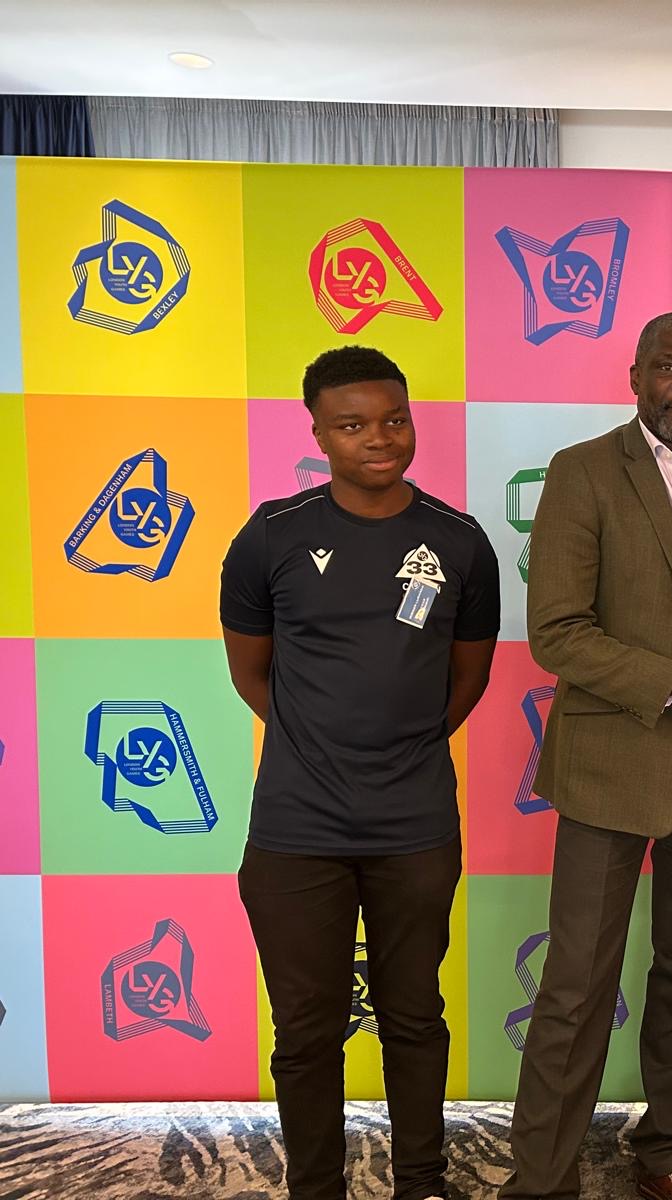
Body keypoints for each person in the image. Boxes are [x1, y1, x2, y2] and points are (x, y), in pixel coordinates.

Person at [498, 312, 672, 1200]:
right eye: (668, 368)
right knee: (578, 979)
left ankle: (666, 1147)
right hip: (614, 760)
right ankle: (542, 1177)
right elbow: (558, 633)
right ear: (636, 377)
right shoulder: (584, 472)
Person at [221, 345, 500, 1200]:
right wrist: (323, 744)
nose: (379, 439)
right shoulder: (272, 535)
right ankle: (317, 1188)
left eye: (393, 419)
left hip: (413, 827)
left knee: (415, 1018)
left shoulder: (459, 542)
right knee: (306, 1031)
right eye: (353, 425)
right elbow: (252, 674)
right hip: (296, 831)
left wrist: (396, 747)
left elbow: (467, 680)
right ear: (317, 431)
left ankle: (421, 1182)